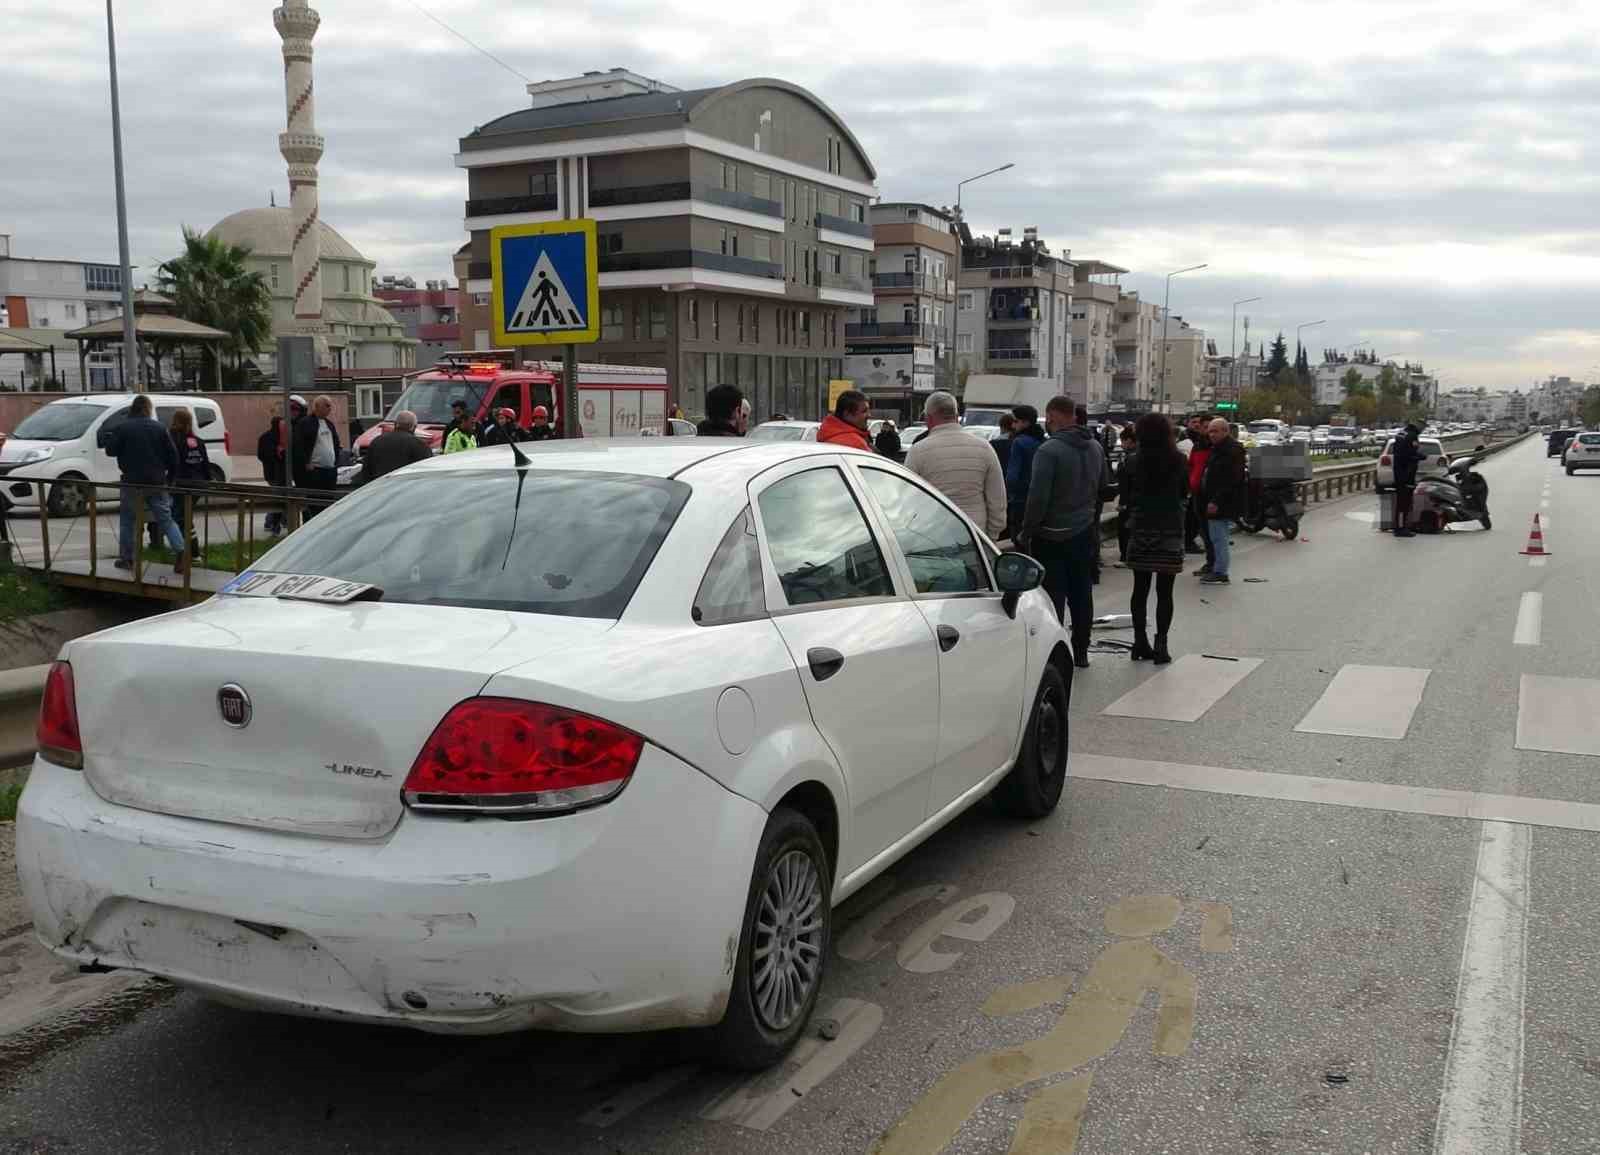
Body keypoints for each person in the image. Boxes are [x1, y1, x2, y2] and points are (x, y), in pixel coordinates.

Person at [1017, 396, 1106, 667]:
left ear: (1053, 416)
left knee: (1052, 595)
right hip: (1084, 531)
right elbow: (1102, 487)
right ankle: (1081, 650)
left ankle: (1056, 652)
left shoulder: (1049, 450)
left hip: (1050, 534)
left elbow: (1038, 497)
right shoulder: (1095, 447)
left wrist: (1027, 530)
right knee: (1081, 593)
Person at [1123, 414, 1188, 664]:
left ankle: (1139, 642)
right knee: (1165, 591)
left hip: (1141, 529)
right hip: (1170, 529)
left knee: (1139, 589)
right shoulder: (1179, 460)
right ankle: (1162, 645)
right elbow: (1184, 491)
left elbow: (1126, 496)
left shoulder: (1132, 461)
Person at [98, 394, 187, 573]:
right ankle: (181, 555)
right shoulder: (160, 428)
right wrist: (170, 479)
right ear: (148, 409)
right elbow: (173, 457)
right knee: (166, 520)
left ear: (133, 408)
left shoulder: (123, 427)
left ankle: (127, 559)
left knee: (128, 521)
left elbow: (110, 451)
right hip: (157, 482)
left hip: (131, 482)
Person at [906, 391, 1007, 541]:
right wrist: (991, 536)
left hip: (933, 537)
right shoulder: (984, 448)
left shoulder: (917, 451)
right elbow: (997, 499)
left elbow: (908, 499)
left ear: (929, 418)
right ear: (956, 415)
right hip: (975, 534)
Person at [1199, 417, 1246, 584]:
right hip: (1214, 499)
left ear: (1225, 431)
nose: (1211, 434)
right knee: (1215, 536)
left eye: (1215, 431)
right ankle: (1216, 568)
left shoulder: (1231, 450)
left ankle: (1220, 572)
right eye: (1210, 431)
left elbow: (1231, 480)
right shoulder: (1218, 448)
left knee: (1219, 538)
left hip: (1222, 501)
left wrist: (1216, 501)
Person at [168, 407, 210, 557]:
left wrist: (168, 480)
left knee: (180, 518)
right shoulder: (197, 441)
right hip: (198, 485)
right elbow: (205, 463)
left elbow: (171, 463)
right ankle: (186, 549)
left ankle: (191, 552)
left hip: (181, 484)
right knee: (184, 517)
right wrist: (208, 481)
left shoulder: (173, 440)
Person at [293, 395, 343, 518]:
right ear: (317, 406)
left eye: (330, 406)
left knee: (328, 503)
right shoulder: (305, 423)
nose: (330, 408)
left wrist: (336, 462)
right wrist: (306, 462)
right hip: (315, 472)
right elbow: (298, 445)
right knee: (314, 504)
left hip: (329, 471)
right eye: (327, 405)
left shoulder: (329, 424)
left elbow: (335, 443)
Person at [1005, 404, 1047, 537]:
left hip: (1021, 500)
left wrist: (1009, 495)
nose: (1012, 425)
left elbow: (1012, 476)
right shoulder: (1044, 441)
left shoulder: (1019, 442)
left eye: (1015, 421)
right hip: (1041, 500)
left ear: (1026, 422)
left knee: (1018, 536)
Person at [363, 409, 431, 480]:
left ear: (395, 424)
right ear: (413, 427)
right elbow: (426, 471)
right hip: (404, 484)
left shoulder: (377, 441)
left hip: (379, 484)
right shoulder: (419, 444)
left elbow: (366, 470)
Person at [1184, 413, 1214, 568]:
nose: (1208, 431)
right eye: (1205, 427)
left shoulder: (1217, 447)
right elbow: (1191, 466)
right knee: (1204, 529)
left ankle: (1216, 566)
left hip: (1212, 494)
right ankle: (1210, 563)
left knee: (1213, 532)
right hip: (1197, 492)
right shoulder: (1197, 445)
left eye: (1211, 428)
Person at [1391, 422, 1424, 537]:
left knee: (1401, 502)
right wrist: (1420, 456)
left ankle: (1400, 526)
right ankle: (1400, 528)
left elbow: (1401, 452)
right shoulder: (1412, 436)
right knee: (1404, 503)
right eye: (1422, 427)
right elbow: (1410, 454)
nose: (1422, 430)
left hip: (1399, 473)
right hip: (1406, 474)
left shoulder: (1401, 433)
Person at [1114, 425, 1138, 564]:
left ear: (1128, 440)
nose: (1122, 445)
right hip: (1138, 500)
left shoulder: (1129, 459)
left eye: (1122, 441)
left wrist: (1122, 503)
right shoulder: (1143, 455)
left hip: (1129, 501)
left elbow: (1125, 483)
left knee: (1124, 530)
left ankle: (1125, 557)